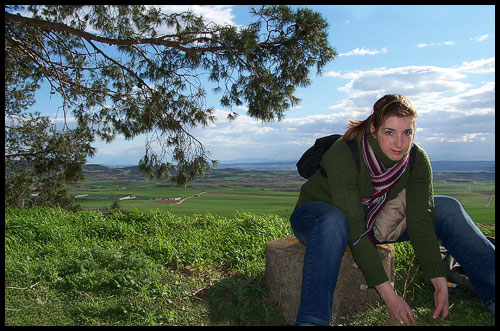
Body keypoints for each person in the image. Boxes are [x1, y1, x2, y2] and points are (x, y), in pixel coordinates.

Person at [290, 94, 495, 326]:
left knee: (448, 208)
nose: (400, 143)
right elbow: (356, 229)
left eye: (407, 133)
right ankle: (313, 320)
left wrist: (439, 280)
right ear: (374, 128)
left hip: (374, 219)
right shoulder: (344, 153)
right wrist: (390, 297)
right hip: (318, 218)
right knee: (335, 220)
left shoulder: (416, 160)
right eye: (390, 132)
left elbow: (421, 221)